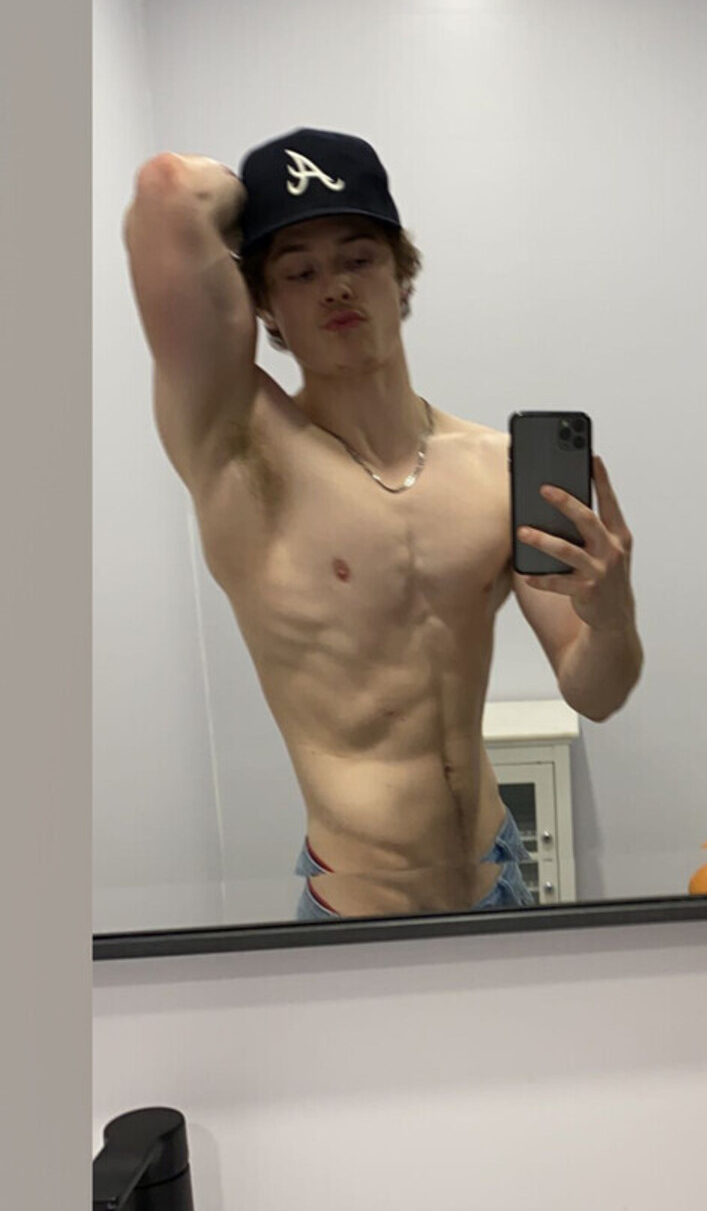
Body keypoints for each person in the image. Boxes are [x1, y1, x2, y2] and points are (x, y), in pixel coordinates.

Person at [123, 128, 643, 919]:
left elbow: (596, 692)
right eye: (299, 271)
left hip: (497, 885)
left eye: (360, 258)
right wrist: (262, 196)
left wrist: (612, 617)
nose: (334, 286)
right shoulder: (238, 449)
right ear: (264, 305)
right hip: (356, 918)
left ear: (402, 276)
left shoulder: (497, 467)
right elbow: (167, 192)